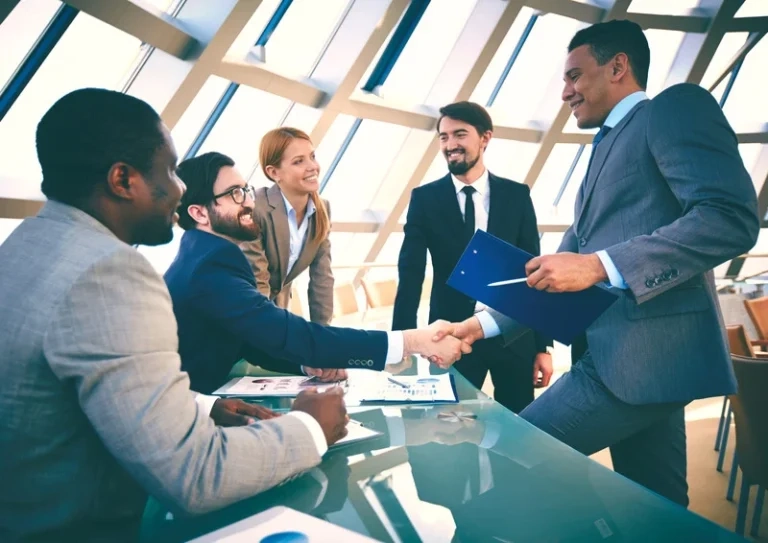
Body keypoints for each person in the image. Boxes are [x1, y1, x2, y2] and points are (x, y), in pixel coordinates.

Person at [0, 88, 358, 541]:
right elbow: (195, 475)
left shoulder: (23, 248)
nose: (180, 186)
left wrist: (204, 406)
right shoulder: (110, 272)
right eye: (168, 170)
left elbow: (71, 393)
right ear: (122, 180)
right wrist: (310, 427)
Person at [436, 20, 759, 507]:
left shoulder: (672, 109)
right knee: (655, 507)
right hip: (635, 366)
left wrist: (600, 266)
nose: (565, 92)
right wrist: (480, 326)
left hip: (636, 361)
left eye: (574, 76)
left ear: (618, 67)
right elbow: (553, 271)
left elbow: (730, 218)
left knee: (508, 461)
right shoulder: (605, 145)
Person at [165, 152, 468, 394]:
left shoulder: (205, 254)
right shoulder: (212, 264)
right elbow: (287, 332)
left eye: (245, 189)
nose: (249, 201)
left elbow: (251, 339)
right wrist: (412, 341)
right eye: (234, 194)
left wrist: (305, 365)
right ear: (199, 213)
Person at [392, 101, 552, 413]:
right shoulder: (424, 199)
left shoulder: (516, 196)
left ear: (485, 138)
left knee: (519, 437)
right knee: (447, 433)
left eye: (459, 135)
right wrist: (404, 343)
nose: (450, 145)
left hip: (512, 334)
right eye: (443, 137)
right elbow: (410, 272)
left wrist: (542, 345)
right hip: (449, 336)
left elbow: (534, 270)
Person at [241, 127, 333, 325]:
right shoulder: (256, 208)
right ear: (274, 172)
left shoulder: (322, 209)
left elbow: (322, 279)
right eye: (299, 161)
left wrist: (324, 337)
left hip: (276, 311)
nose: (312, 167)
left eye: (312, 156)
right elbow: (258, 282)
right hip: (243, 314)